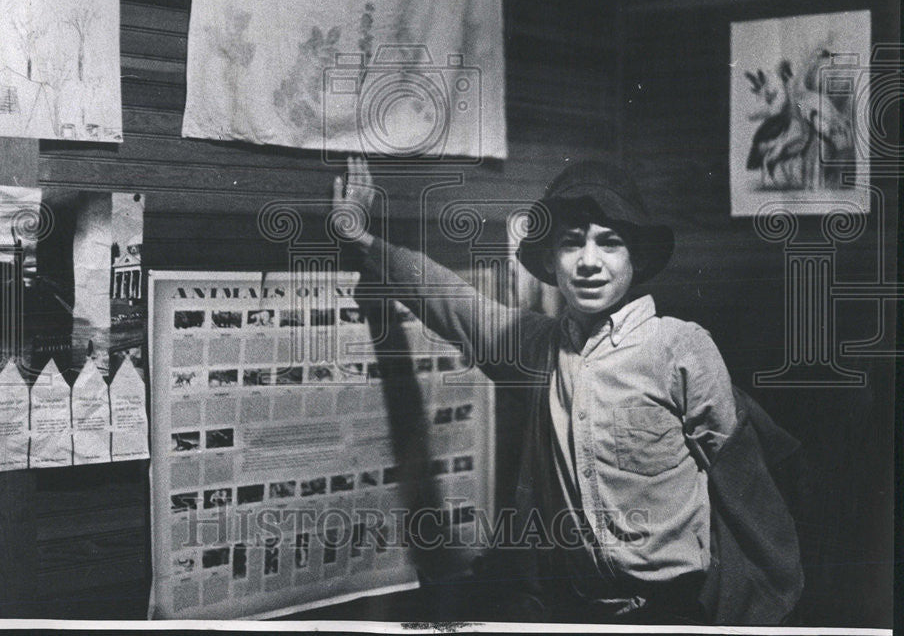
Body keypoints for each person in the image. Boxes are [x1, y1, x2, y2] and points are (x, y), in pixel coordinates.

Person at [330, 156, 802, 625]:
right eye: (572, 244)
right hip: (580, 613)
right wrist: (362, 239)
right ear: (551, 261)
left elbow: (748, 493)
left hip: (679, 611)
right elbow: (452, 299)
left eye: (609, 243)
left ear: (634, 257)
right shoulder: (536, 349)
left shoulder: (679, 346)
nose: (589, 262)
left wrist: (763, 612)